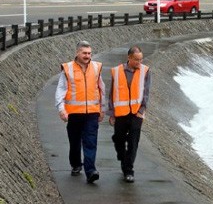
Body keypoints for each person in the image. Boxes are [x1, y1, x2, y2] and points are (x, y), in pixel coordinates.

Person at [55, 40, 105, 184]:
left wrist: (102, 109)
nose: (87, 56)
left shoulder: (96, 68)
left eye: (89, 53)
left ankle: (91, 171)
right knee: (75, 141)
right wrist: (61, 109)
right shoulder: (68, 69)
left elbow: (101, 89)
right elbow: (61, 90)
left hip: (92, 113)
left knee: (90, 141)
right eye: (84, 53)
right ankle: (76, 164)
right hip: (74, 113)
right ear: (77, 53)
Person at [108, 46, 151, 183]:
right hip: (120, 113)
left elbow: (146, 92)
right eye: (136, 59)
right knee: (118, 140)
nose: (139, 62)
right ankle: (123, 159)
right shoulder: (116, 71)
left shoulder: (145, 71)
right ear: (129, 58)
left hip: (136, 114)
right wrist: (112, 113)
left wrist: (141, 110)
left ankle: (129, 170)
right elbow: (112, 93)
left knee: (133, 142)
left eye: (141, 59)